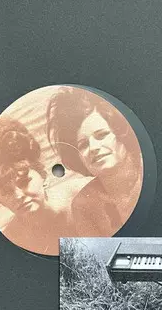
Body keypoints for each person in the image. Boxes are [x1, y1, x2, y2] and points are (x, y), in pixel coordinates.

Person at [46, 87, 143, 237]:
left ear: (121, 132)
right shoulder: (83, 205)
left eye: (102, 135)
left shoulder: (148, 174)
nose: (93, 148)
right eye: (83, 144)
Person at [0, 117, 70, 255]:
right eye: (7, 192)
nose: (18, 196)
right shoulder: (8, 241)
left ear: (43, 176)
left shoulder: (82, 200)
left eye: (24, 182)